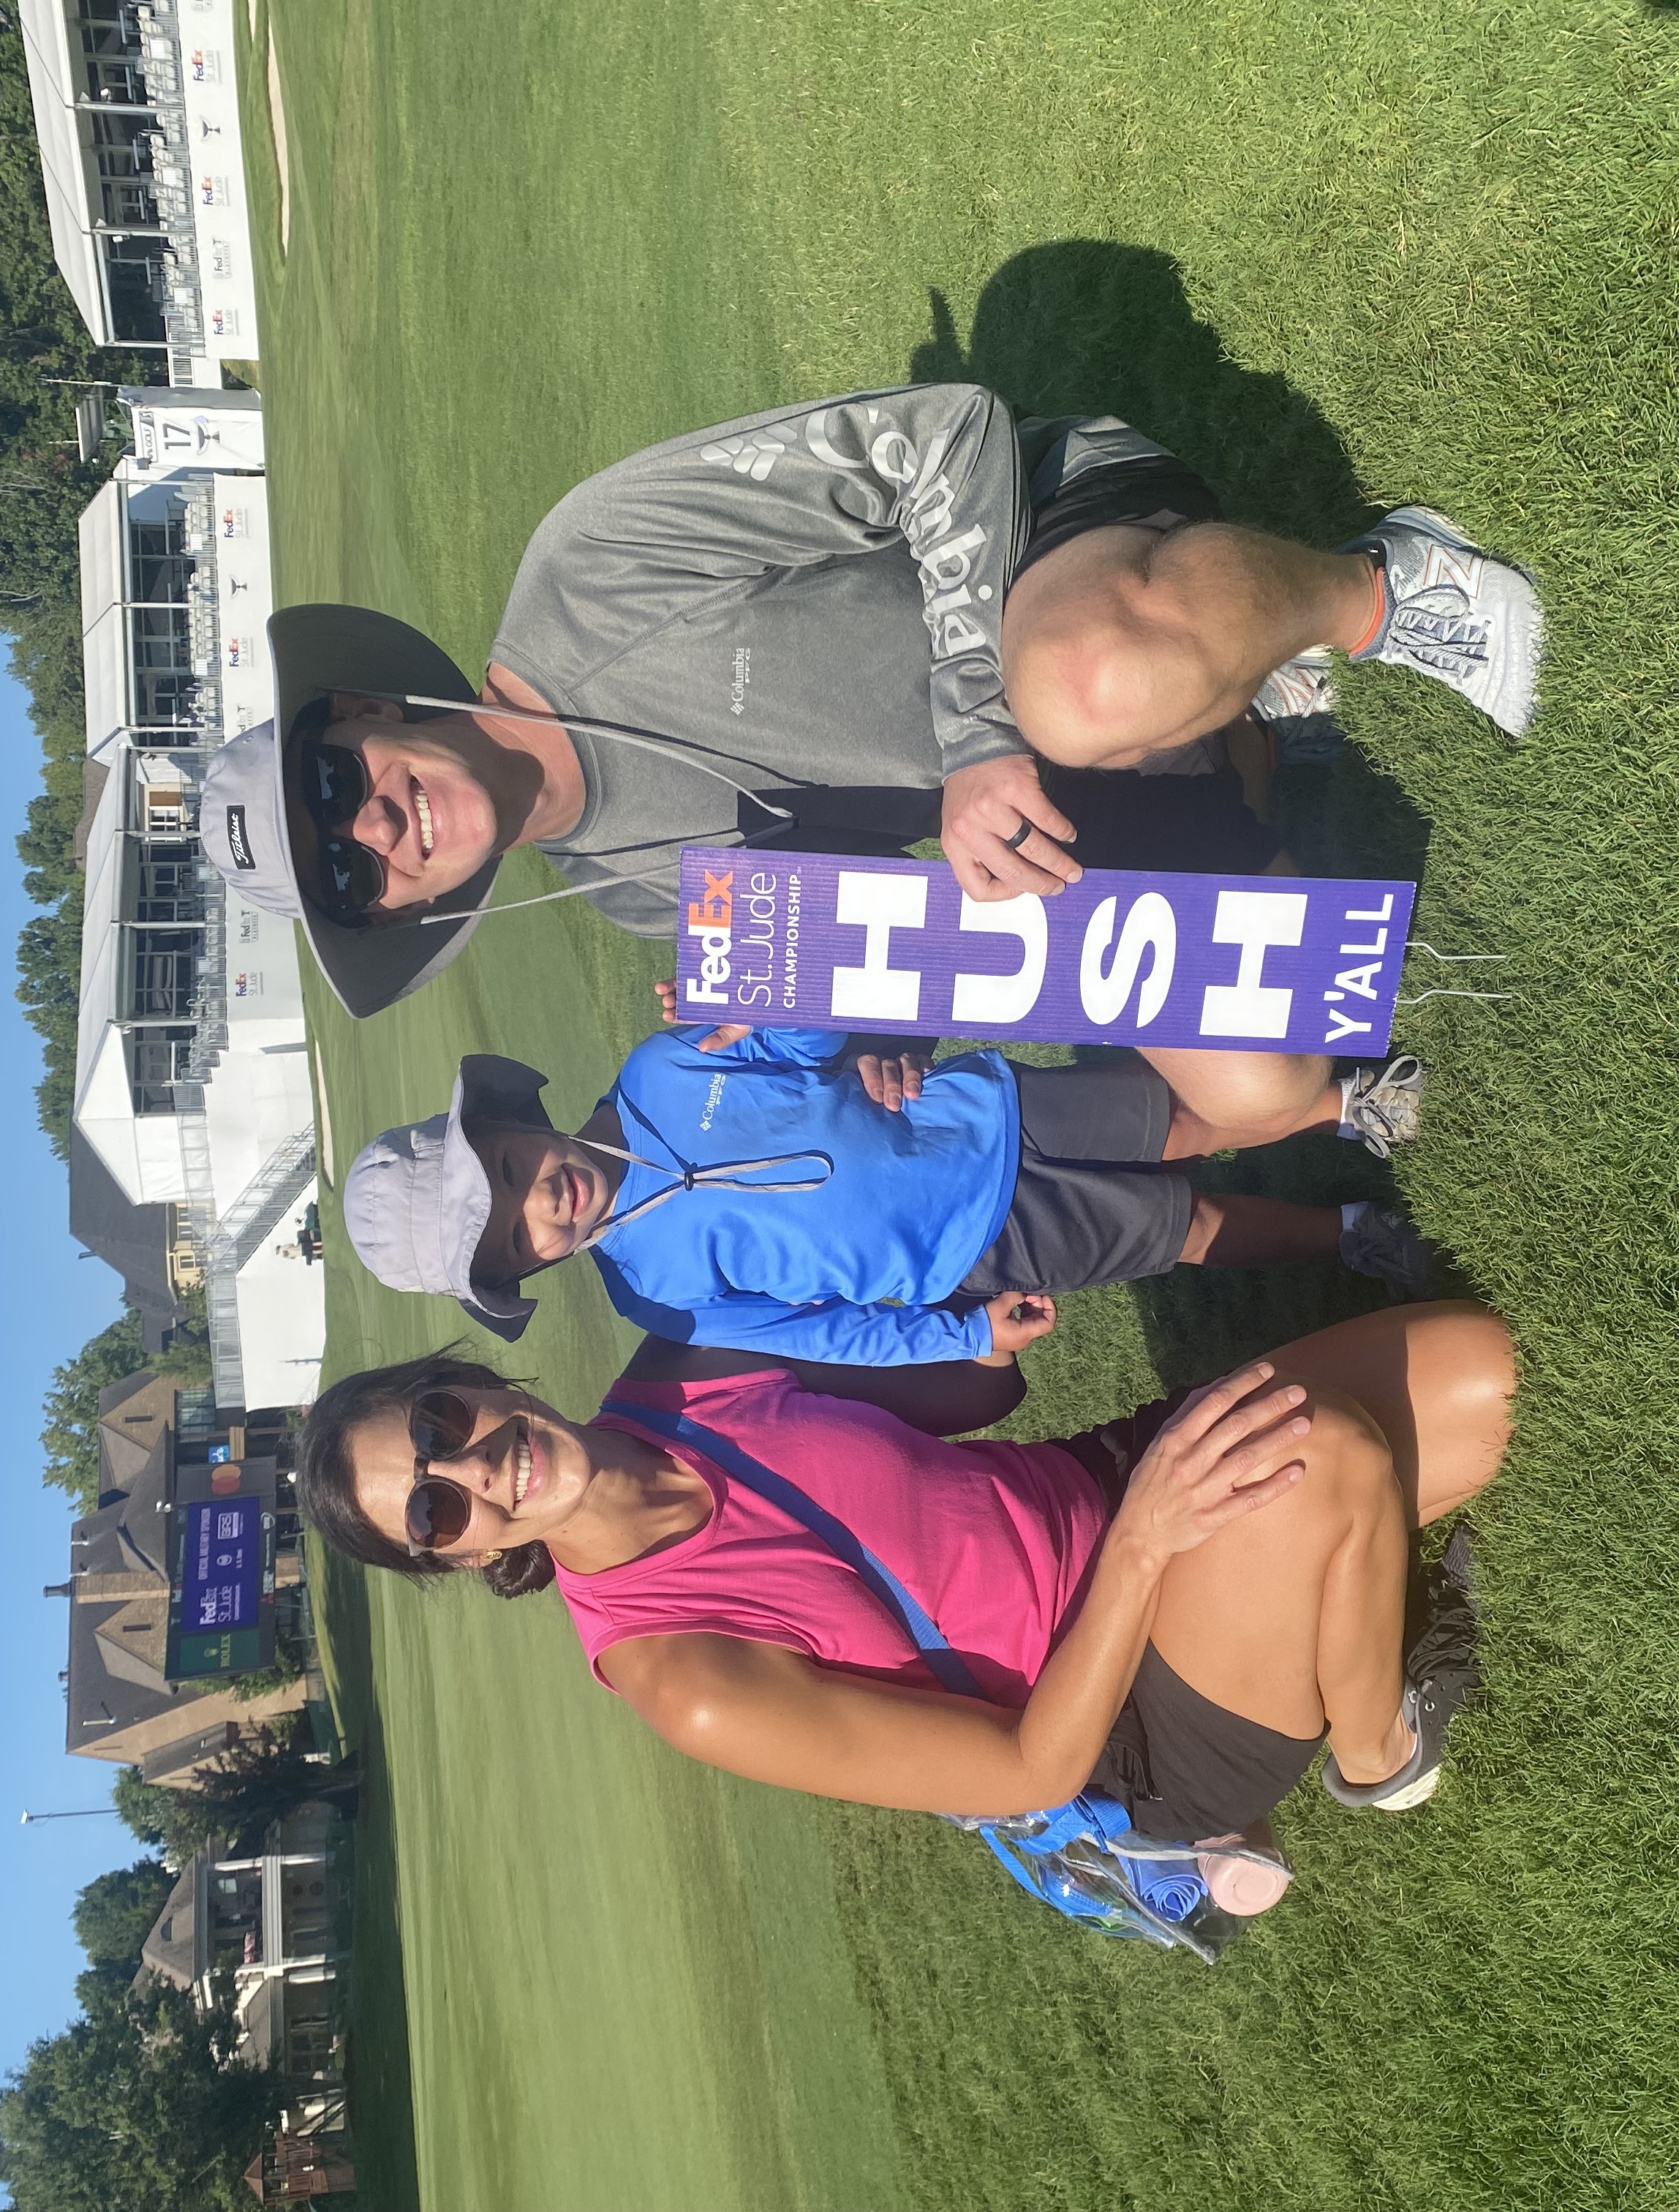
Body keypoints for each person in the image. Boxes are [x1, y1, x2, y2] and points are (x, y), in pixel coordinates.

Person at [199, 386, 1542, 1148]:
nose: (371, 827)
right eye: (346, 876)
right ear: (400, 909)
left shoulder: (589, 566)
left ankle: (1381, 585)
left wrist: (975, 734)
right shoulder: (616, 894)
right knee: (1271, 1087)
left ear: (364, 705)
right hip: (1053, 787)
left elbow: (942, 435)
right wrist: (856, 1019)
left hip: (1049, 552)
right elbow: (911, 893)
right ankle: (1240, 715)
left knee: (1081, 694)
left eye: (332, 785)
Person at [291, 1303, 1519, 1839]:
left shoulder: (683, 1368)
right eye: (436, 1511)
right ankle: (1381, 1749)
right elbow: (1029, 1775)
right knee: (1338, 1451)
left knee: (1488, 1375)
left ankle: (1327, 1592)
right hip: (1135, 1711)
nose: (480, 1470)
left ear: (466, 1380)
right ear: (463, 1556)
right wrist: (1148, 1542)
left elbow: (981, 1387)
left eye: (439, 1428)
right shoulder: (680, 1675)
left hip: (1110, 1484)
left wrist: (952, 1310)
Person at [341, 1032, 1431, 1361]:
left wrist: (772, 1005)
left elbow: (800, 1035)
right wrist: (960, 1340)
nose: (547, 1193)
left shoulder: (657, 1071)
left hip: (979, 1117)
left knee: (1176, 1119)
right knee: (1182, 1227)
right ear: (528, 1268)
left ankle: (1343, 1110)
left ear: (512, 1121)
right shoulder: (658, 1299)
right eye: (518, 1227)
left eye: (514, 1167)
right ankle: (1343, 1235)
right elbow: (831, 1337)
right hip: (973, 1253)